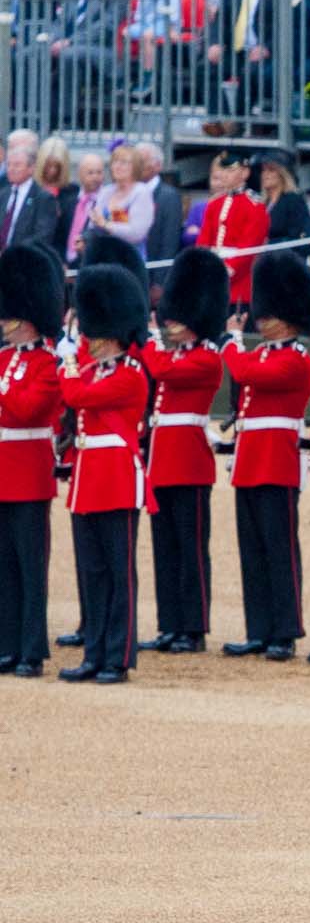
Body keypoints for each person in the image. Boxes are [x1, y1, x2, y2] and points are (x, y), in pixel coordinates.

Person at [222, 252, 310, 662]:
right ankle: (259, 629)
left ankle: (285, 630)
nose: (262, 320)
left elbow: (245, 374)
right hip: (249, 460)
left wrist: (230, 341)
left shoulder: (296, 358)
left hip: (277, 461)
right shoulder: (261, 352)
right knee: (253, 549)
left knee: (279, 549)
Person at [57, 260, 149, 685]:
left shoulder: (130, 375)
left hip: (115, 476)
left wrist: (71, 365)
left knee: (118, 572)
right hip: (89, 477)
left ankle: (118, 655)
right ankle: (95, 653)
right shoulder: (95, 367)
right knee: (93, 572)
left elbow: (77, 396)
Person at [138, 249, 229, 655]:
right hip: (163, 461)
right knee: (166, 548)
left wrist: (144, 339)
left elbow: (161, 370)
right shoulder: (175, 352)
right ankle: (170, 623)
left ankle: (193, 628)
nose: (169, 324)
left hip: (190, 462)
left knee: (190, 549)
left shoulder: (208, 358)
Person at [0, 243, 66, 676]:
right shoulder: (5, 359)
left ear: (25, 321)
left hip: (29, 470)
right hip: (5, 470)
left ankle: (31, 648)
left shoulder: (48, 363)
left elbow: (28, 410)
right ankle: (7, 644)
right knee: (5, 567)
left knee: (30, 566)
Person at [198, 151, 271, 310]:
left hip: (240, 284)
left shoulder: (255, 207)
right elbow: (203, 242)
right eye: (223, 170)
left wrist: (225, 273)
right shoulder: (214, 204)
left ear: (245, 172)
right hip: (211, 278)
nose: (224, 175)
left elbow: (248, 249)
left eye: (230, 170)